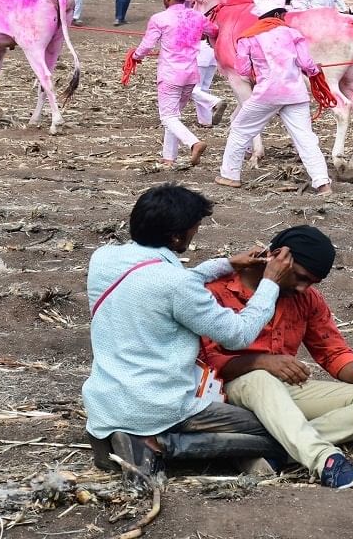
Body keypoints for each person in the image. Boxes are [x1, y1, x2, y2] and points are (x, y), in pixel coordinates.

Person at [82, 184, 294, 481]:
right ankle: (161, 445)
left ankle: (120, 441)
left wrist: (226, 264)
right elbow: (238, 333)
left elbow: (164, 280)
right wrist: (270, 283)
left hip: (106, 404)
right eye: (195, 228)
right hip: (158, 407)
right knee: (275, 428)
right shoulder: (179, 286)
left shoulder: (103, 259)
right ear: (176, 236)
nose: (196, 233)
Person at [198, 226, 353, 489]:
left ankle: (274, 450)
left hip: (279, 393)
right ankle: (325, 460)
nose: (304, 288)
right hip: (226, 390)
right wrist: (261, 362)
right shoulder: (216, 290)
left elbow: (333, 353)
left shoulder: (306, 298)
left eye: (312, 283)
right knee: (260, 378)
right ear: (279, 256)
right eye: (301, 277)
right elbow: (208, 362)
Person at [215, 0, 333, 195]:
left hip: (266, 94)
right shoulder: (293, 34)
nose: (285, 18)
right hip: (295, 94)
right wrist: (316, 69)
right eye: (284, 15)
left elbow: (242, 70)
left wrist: (258, 68)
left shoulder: (247, 38)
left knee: (240, 130)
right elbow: (308, 65)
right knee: (305, 138)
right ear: (278, 15)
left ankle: (230, 175)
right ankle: (322, 183)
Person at [130, 0, 219, 168]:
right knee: (174, 116)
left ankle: (194, 143)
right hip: (191, 76)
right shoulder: (197, 17)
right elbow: (214, 30)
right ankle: (169, 158)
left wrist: (136, 56)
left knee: (168, 117)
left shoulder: (159, 19)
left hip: (170, 75)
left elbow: (146, 46)